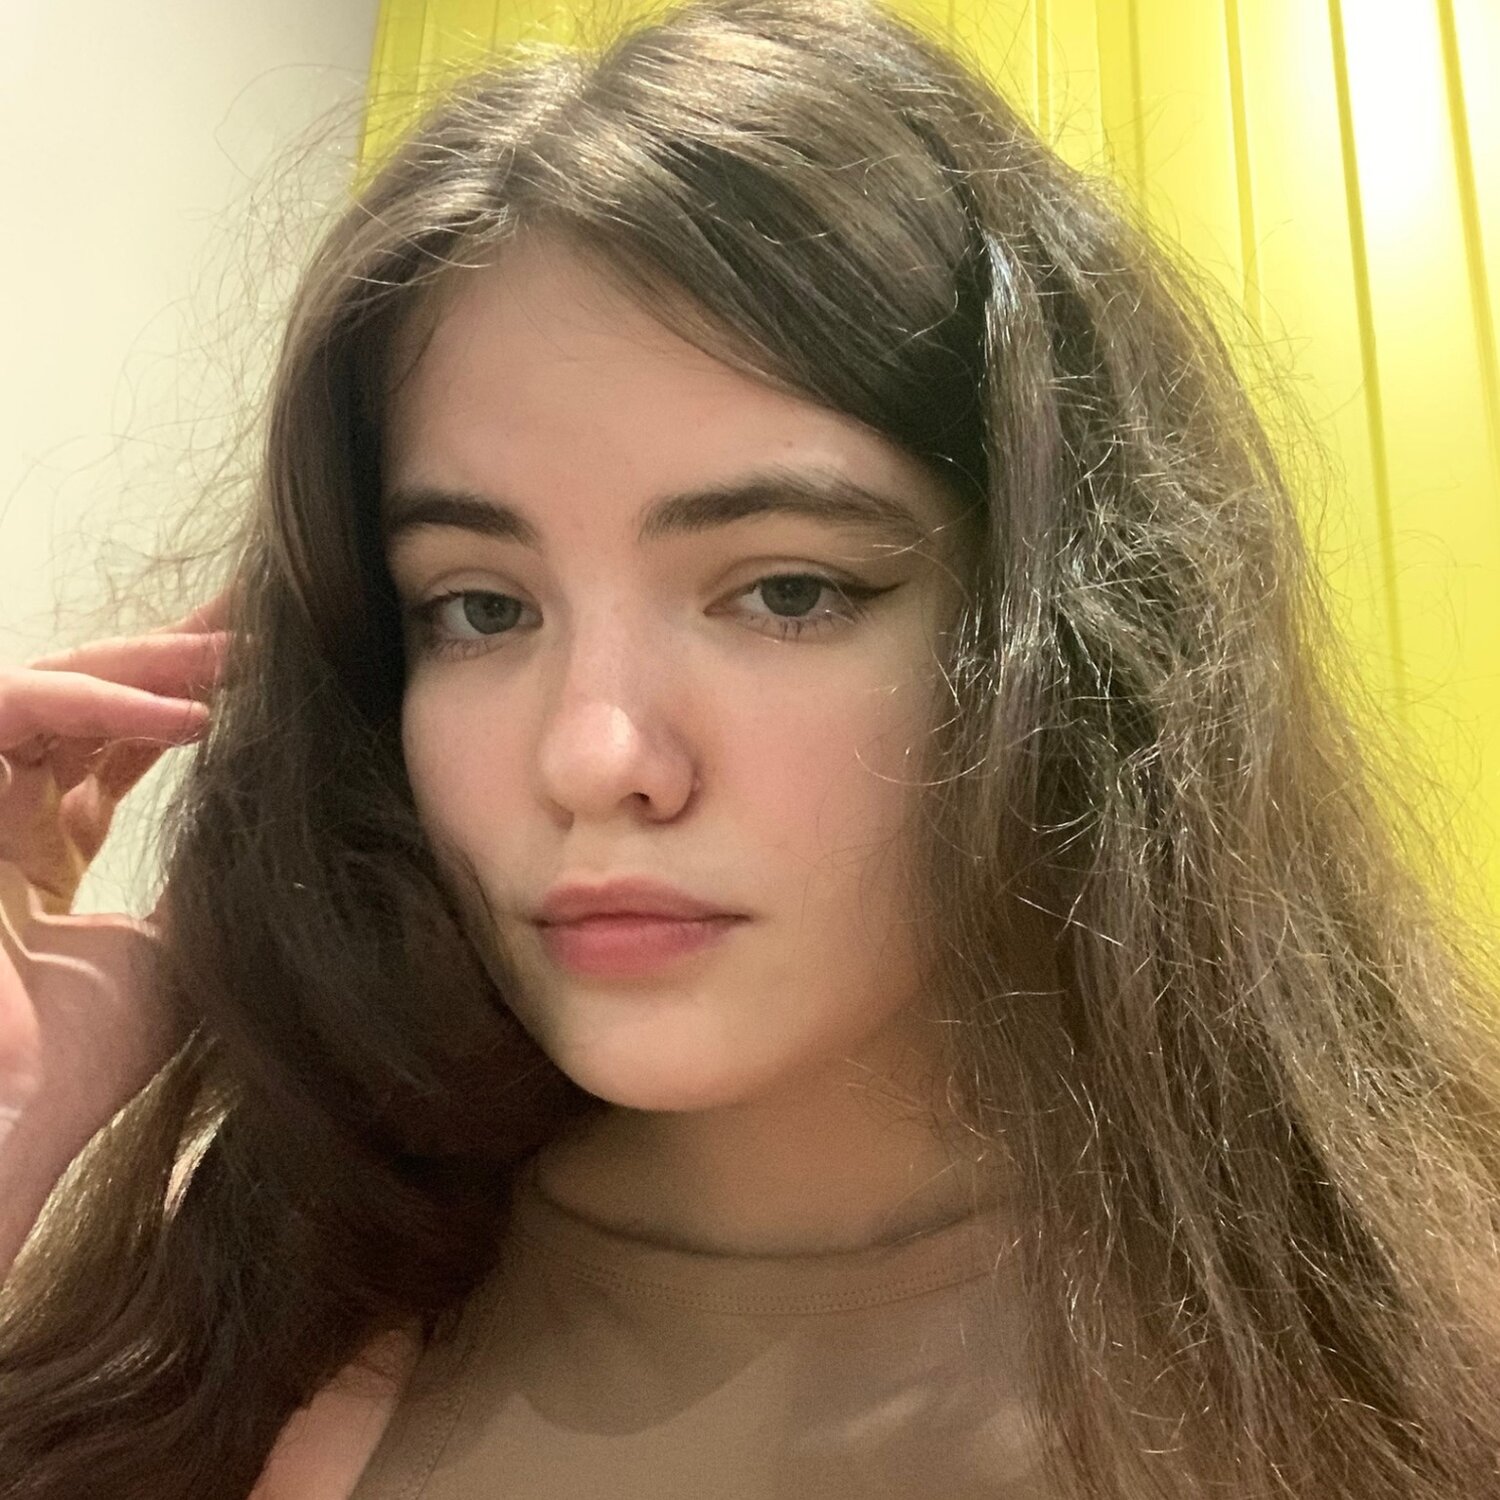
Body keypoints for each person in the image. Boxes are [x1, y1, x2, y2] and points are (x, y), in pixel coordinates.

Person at [4, 0, 1500, 1494]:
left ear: (1069, 636)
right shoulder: (279, 1340)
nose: (593, 757)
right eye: (480, 608)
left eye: (787, 592)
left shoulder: (1413, 1353)